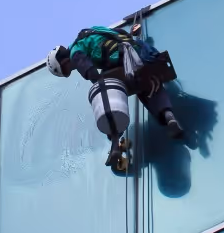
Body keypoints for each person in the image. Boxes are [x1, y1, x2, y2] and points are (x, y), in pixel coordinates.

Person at [46, 23, 183, 172]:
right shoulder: (92, 31)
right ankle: (169, 117)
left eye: (67, 69)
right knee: (148, 87)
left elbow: (90, 71)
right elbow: (119, 32)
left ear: (63, 62)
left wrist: (101, 86)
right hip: (138, 52)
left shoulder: (75, 52)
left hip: (118, 59)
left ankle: (115, 143)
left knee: (109, 103)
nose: (71, 69)